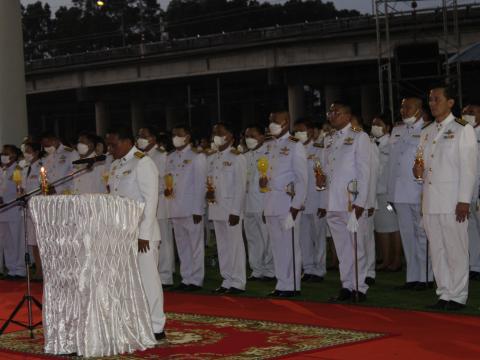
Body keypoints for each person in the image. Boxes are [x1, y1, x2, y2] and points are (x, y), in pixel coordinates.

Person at [414, 86, 477, 310]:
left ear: (450, 102)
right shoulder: (427, 130)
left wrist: (464, 200)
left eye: (437, 99)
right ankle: (444, 293)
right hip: (431, 201)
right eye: (430, 99)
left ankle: (458, 295)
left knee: (456, 248)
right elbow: (423, 166)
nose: (432, 103)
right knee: (437, 249)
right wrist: (417, 172)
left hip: (452, 200)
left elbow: (468, 168)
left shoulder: (463, 129)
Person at [106, 127, 166, 339]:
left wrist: (144, 234)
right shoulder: (115, 166)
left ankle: (157, 326)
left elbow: (151, 201)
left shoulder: (143, 162)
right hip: (122, 232)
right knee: (127, 280)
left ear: (126, 142)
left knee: (148, 280)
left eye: (113, 144)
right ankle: (134, 321)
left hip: (142, 234)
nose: (109, 149)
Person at [320, 102, 371, 302]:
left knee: (357, 246)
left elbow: (365, 172)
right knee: (342, 248)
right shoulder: (329, 139)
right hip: (334, 201)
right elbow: (328, 170)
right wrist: (321, 178)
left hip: (352, 201)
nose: (332, 115)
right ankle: (347, 285)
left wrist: (361, 202)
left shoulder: (360, 137)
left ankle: (360, 287)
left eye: (336, 112)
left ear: (348, 116)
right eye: (330, 112)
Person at [387, 97, 433, 290]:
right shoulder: (397, 131)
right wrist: (390, 194)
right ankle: (412, 276)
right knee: (407, 235)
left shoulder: (428, 130)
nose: (403, 110)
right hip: (399, 193)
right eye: (402, 106)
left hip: (418, 191)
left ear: (419, 109)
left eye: (408, 107)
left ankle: (426, 277)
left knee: (422, 235)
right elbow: (392, 165)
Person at [263, 111, 308, 297]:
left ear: (286, 122)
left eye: (275, 120)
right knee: (277, 247)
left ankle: (292, 285)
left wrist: (296, 207)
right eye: (270, 120)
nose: (272, 123)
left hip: (287, 204)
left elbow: (302, 179)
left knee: (289, 246)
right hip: (272, 203)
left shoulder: (295, 145)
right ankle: (282, 283)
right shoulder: (270, 145)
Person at [165, 124, 207, 290]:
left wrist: (198, 209)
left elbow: (201, 184)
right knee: (182, 246)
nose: (175, 137)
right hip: (175, 207)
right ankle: (186, 278)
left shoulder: (197, 157)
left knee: (195, 245)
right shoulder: (171, 157)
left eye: (179, 134)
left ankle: (196, 279)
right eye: (173, 134)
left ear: (188, 136)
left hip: (191, 209)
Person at [207, 122, 247, 294]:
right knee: (222, 246)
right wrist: (207, 194)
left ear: (230, 136)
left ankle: (238, 282)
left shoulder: (237, 157)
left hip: (231, 210)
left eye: (220, 133)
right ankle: (226, 279)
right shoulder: (212, 158)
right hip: (216, 207)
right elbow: (209, 184)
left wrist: (236, 211)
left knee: (235, 246)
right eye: (214, 132)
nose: (216, 136)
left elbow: (240, 186)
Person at [137, 126, 174, 287]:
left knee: (163, 240)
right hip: (145, 203)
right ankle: (155, 273)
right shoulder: (139, 157)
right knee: (152, 240)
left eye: (144, 136)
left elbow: (167, 181)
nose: (140, 139)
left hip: (160, 201)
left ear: (153, 138)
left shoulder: (162, 156)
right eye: (139, 136)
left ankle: (166, 275)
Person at [293, 119, 326, 282]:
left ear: (311, 132)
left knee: (318, 237)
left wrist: (324, 203)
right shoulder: (293, 150)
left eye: (301, 130)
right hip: (300, 201)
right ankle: (308, 268)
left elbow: (324, 178)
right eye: (296, 131)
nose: (297, 134)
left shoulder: (319, 150)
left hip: (316, 199)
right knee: (303, 237)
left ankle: (319, 270)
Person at [370, 115, 402, 273]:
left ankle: (395, 260)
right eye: (373, 124)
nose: (374, 126)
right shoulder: (371, 143)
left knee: (394, 227)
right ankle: (386, 259)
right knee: (381, 228)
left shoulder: (391, 144)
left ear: (388, 128)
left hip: (387, 194)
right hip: (375, 193)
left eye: (379, 124)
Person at [243, 124, 275, 281]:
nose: (249, 139)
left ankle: (270, 271)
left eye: (253, 136)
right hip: (248, 204)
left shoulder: (269, 153)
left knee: (268, 238)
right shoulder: (245, 156)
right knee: (253, 238)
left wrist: (267, 206)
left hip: (263, 203)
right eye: (247, 136)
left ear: (262, 137)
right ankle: (256, 269)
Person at [0, 145, 25, 279]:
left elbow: (20, 189)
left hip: (14, 209)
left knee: (17, 241)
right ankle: (11, 269)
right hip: (3, 211)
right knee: (7, 242)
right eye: (2, 153)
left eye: (6, 153)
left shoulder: (17, 169)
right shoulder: (2, 170)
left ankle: (20, 270)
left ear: (14, 156)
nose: (3, 155)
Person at [21, 142, 44, 281]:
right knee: (33, 242)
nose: (26, 154)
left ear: (36, 152)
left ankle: (42, 271)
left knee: (41, 241)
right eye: (25, 151)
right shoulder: (25, 168)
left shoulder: (41, 167)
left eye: (29, 151)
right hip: (29, 207)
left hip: (39, 208)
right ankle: (38, 270)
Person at [462, 104, 480, 281]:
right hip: (468, 192)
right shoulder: (462, 133)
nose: (467, 115)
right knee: (471, 230)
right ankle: (475, 265)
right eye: (465, 112)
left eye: (472, 112)